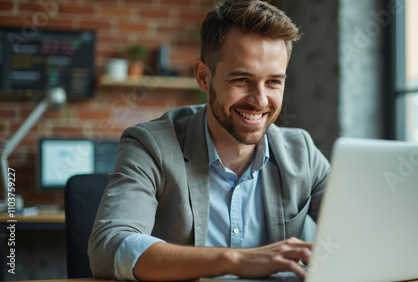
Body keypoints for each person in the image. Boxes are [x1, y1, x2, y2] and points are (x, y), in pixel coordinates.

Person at [88, 0, 330, 280]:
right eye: (241, 79)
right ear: (204, 76)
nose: (260, 100)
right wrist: (234, 260)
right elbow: (109, 248)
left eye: (274, 82)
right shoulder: (151, 145)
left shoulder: (302, 153)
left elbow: (362, 232)